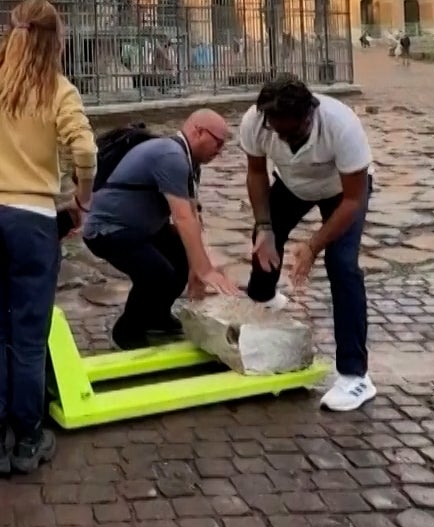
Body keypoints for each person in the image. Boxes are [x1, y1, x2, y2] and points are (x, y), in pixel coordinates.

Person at [0, 0, 96, 477]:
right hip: (32, 217)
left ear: (10, 32)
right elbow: (85, 149)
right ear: (57, 41)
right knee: (29, 332)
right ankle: (27, 436)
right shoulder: (57, 89)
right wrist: (82, 197)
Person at [239, 75, 377, 412]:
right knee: (264, 240)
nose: (284, 139)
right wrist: (265, 226)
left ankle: (356, 376)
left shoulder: (340, 125)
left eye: (292, 132)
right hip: (291, 185)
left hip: (341, 192)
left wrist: (313, 245)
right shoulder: (256, 123)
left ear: (309, 115)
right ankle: (265, 297)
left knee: (342, 266)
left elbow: (354, 199)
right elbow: (257, 173)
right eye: (277, 132)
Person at [81, 110, 239, 350]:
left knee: (181, 255)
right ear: (198, 132)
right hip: (109, 230)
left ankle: (157, 316)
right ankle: (127, 331)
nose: (220, 149)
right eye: (218, 142)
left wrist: (199, 263)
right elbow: (182, 217)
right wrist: (205, 270)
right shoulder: (171, 156)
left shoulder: (189, 161)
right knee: (157, 274)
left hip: (142, 228)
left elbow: (193, 216)